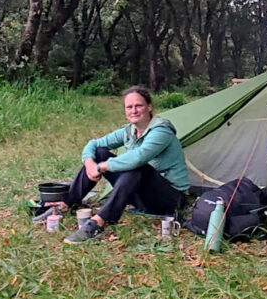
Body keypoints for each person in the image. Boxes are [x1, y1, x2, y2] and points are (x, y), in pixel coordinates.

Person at [61, 86, 189, 243]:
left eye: (139, 106)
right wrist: (89, 163)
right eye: (129, 107)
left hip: (171, 199)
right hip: (143, 197)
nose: (134, 111)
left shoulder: (161, 131)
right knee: (100, 152)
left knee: (136, 167)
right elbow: (93, 144)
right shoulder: (129, 131)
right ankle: (67, 204)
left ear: (149, 107)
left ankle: (99, 222)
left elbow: (138, 158)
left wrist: (101, 167)